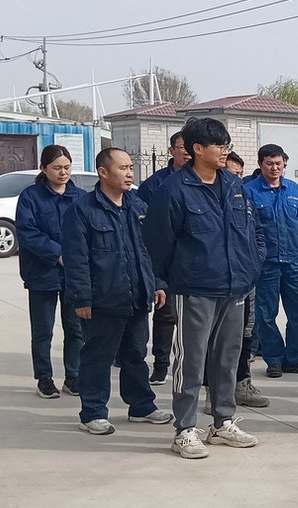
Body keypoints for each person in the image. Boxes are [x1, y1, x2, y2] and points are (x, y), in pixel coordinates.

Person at [144, 117, 266, 459]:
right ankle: (184, 429)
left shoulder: (235, 185)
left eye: (227, 145)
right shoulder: (174, 190)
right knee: (191, 360)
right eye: (219, 146)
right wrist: (166, 281)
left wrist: (252, 265)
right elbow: (157, 242)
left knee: (228, 358)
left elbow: (254, 230)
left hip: (235, 286)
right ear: (197, 149)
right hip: (195, 288)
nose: (225, 151)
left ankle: (223, 422)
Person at [62, 148, 174, 434]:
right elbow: (76, 258)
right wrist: (81, 298)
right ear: (103, 172)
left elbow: (150, 249)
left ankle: (141, 406)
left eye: (131, 168)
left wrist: (157, 283)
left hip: (137, 295)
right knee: (98, 357)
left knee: (136, 353)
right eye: (122, 168)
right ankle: (93, 412)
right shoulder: (82, 209)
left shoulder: (137, 205)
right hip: (102, 299)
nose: (129, 173)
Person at [15, 144, 84, 398]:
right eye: (56, 168)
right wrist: (57, 253)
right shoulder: (31, 197)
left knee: (76, 328)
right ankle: (44, 378)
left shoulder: (79, 197)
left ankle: (73, 375)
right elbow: (27, 232)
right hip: (41, 273)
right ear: (43, 169)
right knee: (43, 330)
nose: (63, 172)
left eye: (67, 167)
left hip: (73, 274)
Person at [245, 144, 298, 379]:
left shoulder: (294, 189)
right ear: (260, 164)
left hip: (294, 261)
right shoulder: (249, 191)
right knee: (266, 314)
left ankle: (294, 357)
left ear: (285, 163)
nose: (274, 168)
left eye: (278, 163)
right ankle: (274, 359)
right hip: (267, 263)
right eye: (269, 163)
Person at [138, 130, 191, 385]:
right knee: (165, 315)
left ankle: (194, 368)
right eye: (182, 148)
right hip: (166, 261)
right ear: (171, 151)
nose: (187, 152)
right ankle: (161, 365)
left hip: (194, 261)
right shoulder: (155, 184)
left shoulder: (202, 180)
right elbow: (144, 225)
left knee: (194, 320)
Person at [220, 154, 269, 409]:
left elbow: (257, 233)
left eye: (240, 174)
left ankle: (242, 383)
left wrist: (255, 261)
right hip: (219, 280)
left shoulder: (244, 199)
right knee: (217, 337)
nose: (237, 179)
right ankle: (213, 389)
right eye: (232, 173)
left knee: (245, 332)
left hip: (246, 277)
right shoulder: (210, 199)